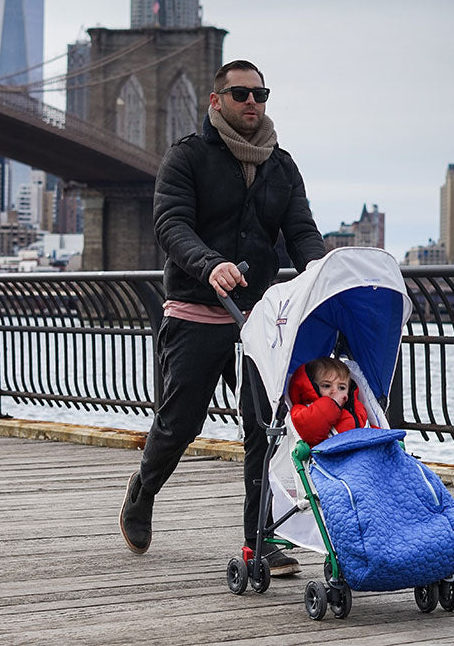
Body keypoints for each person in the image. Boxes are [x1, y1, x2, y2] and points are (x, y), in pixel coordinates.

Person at [119, 59, 326, 576]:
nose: (252, 103)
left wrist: (325, 275)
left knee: (265, 428)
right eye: (240, 95)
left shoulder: (282, 165)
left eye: (260, 94)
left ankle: (261, 539)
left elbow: (300, 232)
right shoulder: (187, 157)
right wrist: (210, 265)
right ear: (216, 102)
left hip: (258, 320)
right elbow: (170, 224)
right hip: (195, 310)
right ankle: (142, 491)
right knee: (180, 423)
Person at [288, 356, 369, 447]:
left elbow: (370, 432)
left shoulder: (357, 409)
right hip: (328, 457)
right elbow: (310, 430)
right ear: (312, 386)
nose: (334, 391)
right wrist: (332, 403)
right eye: (326, 386)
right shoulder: (303, 410)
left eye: (341, 388)